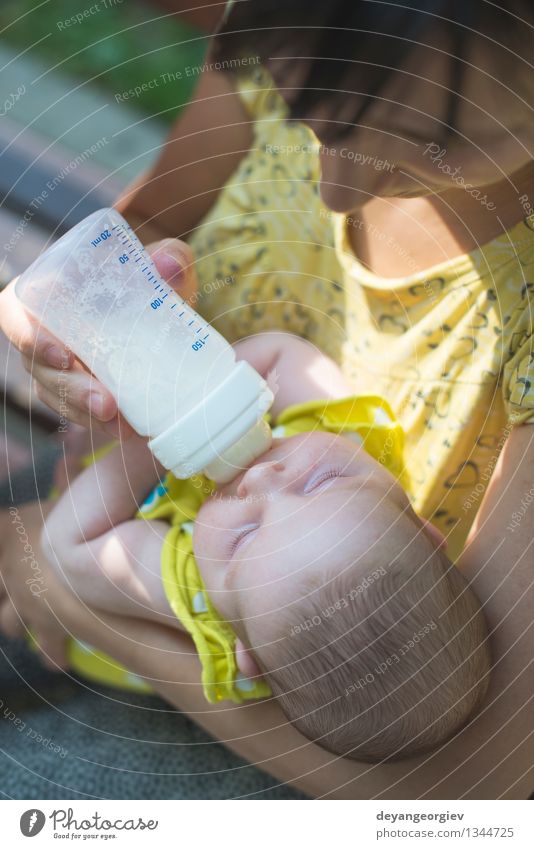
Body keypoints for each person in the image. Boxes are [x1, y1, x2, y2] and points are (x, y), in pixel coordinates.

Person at [1, 1, 534, 796]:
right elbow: (148, 223)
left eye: (437, 141)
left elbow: (477, 787)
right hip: (70, 483)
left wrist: (57, 576)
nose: (337, 188)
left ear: (239, 652)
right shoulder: (297, 27)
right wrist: (71, 311)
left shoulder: (214, 611)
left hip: (291, 738)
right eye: (309, 117)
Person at [40, 332, 489, 762]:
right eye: (322, 483)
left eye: (244, 538)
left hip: (77, 637)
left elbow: (68, 544)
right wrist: (209, 397)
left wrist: (161, 438)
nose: (259, 479)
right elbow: (280, 355)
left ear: (244, 651)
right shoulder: (358, 446)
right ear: (423, 527)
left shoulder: (201, 593)